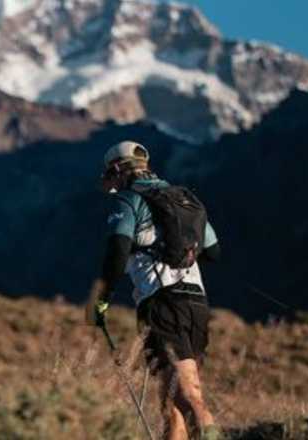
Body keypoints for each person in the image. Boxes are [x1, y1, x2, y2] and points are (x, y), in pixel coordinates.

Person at [85, 141, 222, 440]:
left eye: (110, 174)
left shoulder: (128, 200)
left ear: (119, 170)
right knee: (171, 394)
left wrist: (102, 299)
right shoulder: (183, 198)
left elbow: (117, 252)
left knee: (187, 396)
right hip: (197, 302)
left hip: (161, 302)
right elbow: (213, 252)